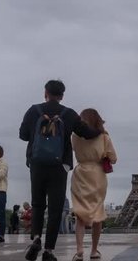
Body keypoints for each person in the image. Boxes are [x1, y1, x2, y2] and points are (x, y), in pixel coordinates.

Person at [20, 80, 103, 261]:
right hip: (59, 166)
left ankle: (36, 238)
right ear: (62, 96)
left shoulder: (34, 110)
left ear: (45, 93)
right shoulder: (69, 114)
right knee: (56, 208)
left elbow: (23, 135)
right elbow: (86, 133)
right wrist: (100, 131)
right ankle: (49, 250)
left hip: (37, 164)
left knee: (37, 204)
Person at [70, 108, 117, 261]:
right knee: (97, 214)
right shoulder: (104, 137)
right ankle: (94, 251)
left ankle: (79, 250)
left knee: (80, 215)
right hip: (97, 175)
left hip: (80, 173)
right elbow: (113, 158)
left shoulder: (75, 136)